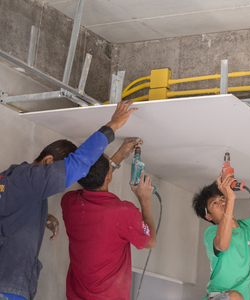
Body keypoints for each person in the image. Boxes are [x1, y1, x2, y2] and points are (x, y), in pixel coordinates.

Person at [0, 100, 138, 300]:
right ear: (48, 161)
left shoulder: (10, 177)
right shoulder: (29, 179)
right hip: (7, 287)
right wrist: (113, 125)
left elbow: (9, 213)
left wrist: (39, 217)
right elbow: (79, 165)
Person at [61, 140, 157, 300]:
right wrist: (145, 199)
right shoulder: (123, 213)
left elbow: (92, 178)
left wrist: (118, 156)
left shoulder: (69, 202)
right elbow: (151, 241)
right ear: (108, 176)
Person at [192, 171, 250, 300]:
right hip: (221, 297)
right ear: (208, 216)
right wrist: (230, 199)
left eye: (222, 198)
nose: (221, 202)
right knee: (235, 297)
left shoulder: (247, 228)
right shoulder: (212, 232)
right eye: (214, 203)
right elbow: (222, 245)